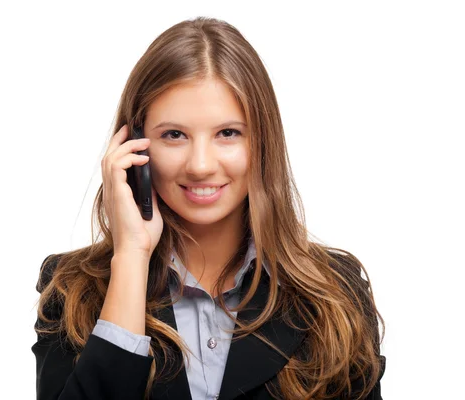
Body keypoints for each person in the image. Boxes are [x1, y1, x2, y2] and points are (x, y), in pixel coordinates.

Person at [32, 16, 385, 400]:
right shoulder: (71, 290)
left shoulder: (336, 292)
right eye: (174, 135)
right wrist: (131, 258)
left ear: (262, 142)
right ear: (134, 147)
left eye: (227, 133)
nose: (200, 165)